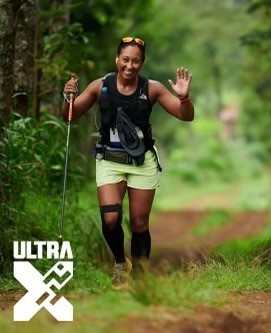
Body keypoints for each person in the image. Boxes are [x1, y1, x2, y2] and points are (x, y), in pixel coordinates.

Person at [62, 36, 194, 289]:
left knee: (139, 223)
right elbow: (71, 116)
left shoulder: (152, 88)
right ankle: (121, 263)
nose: (130, 66)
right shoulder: (100, 86)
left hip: (142, 161)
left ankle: (141, 277)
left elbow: (184, 116)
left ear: (142, 63)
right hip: (110, 160)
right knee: (110, 219)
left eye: (136, 61)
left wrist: (184, 98)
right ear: (117, 59)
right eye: (125, 60)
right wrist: (68, 97)